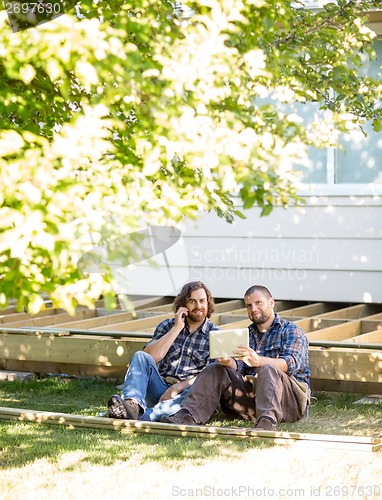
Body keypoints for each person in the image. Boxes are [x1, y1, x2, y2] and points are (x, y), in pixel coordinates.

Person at [162, 284, 310, 430]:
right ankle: (187, 415)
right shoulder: (246, 334)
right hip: (254, 401)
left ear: (271, 303)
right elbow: (241, 368)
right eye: (249, 305)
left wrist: (259, 361)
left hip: (289, 402)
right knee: (216, 367)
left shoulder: (291, 330)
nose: (253, 309)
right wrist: (228, 362)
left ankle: (267, 423)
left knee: (268, 369)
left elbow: (291, 363)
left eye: (258, 303)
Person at [107, 281, 219, 421]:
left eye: (202, 301)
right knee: (140, 356)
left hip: (186, 395)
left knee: (193, 395)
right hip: (159, 388)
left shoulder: (215, 334)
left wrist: (177, 387)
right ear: (183, 305)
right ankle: (132, 406)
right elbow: (150, 357)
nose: (198, 306)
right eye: (192, 301)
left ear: (208, 303)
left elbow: (211, 376)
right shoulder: (167, 326)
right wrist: (177, 328)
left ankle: (139, 416)